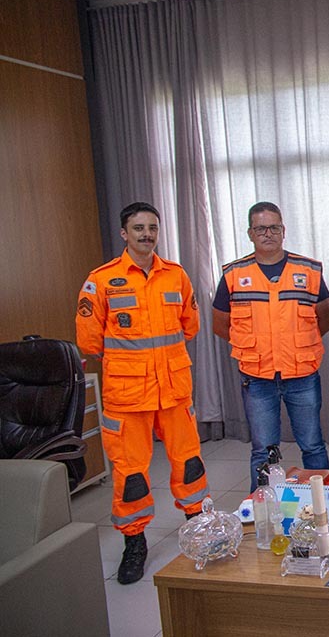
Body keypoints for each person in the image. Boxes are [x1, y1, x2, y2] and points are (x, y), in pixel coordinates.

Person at [76, 202, 210, 584]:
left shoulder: (176, 275)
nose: (147, 234)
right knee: (131, 474)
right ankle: (134, 544)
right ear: (124, 233)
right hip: (127, 394)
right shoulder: (102, 280)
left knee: (190, 464)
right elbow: (89, 341)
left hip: (173, 390)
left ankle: (200, 529)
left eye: (152, 227)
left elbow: (190, 326)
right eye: (138, 228)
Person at [212, 202, 329, 493]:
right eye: (261, 228)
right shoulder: (233, 274)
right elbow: (220, 324)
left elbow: (325, 318)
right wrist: (253, 347)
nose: (268, 234)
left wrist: (297, 346)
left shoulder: (309, 270)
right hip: (257, 377)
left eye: (274, 227)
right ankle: (262, 510)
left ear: (283, 230)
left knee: (313, 445)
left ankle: (323, 504)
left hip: (302, 375)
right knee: (262, 450)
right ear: (250, 233)